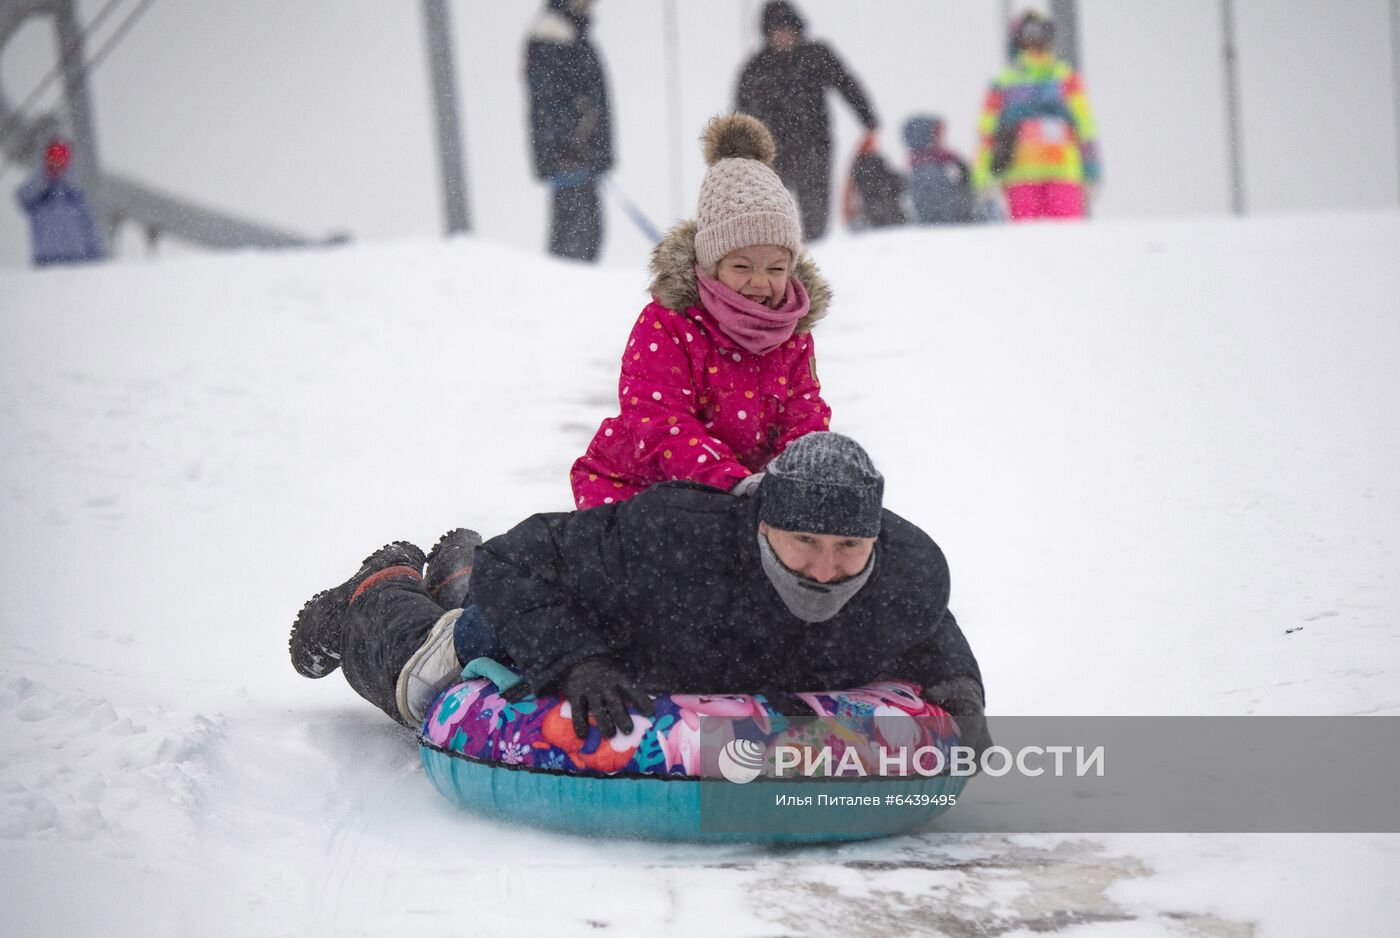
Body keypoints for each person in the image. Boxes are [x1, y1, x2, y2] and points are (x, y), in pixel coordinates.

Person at [289, 432, 989, 754]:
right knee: (418, 677)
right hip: (560, 624)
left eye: (847, 550)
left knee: (479, 588)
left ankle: (451, 571)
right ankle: (375, 591)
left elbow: (927, 629)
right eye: (803, 542)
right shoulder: (675, 534)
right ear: (761, 521)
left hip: (623, 629)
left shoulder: (906, 573)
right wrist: (575, 662)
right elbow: (519, 564)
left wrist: (960, 688)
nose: (823, 568)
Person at [568, 113, 832, 509]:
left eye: (776, 269)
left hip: (749, 499)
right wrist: (732, 484)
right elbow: (661, 423)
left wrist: (797, 482)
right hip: (644, 491)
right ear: (710, 264)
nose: (760, 283)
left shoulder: (791, 332)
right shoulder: (668, 323)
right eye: (742, 267)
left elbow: (805, 416)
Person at [735, 0, 879, 240]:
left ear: (797, 28)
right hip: (773, 151)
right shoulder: (756, 67)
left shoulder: (816, 55)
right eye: (776, 30)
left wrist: (868, 118)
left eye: (787, 28)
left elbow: (847, 84)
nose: (783, 35)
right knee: (770, 212)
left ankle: (815, 258)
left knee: (815, 213)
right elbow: (741, 112)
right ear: (767, 33)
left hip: (814, 146)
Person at [970, 11, 1101, 221]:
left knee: (1034, 243)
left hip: (1028, 175)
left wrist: (982, 178)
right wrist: (1092, 172)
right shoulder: (1064, 78)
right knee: (1062, 243)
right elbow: (1085, 129)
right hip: (1055, 173)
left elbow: (987, 134)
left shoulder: (1005, 82)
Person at [524, 0, 613, 261]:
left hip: (579, 161)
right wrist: (565, 148)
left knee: (584, 241)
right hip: (570, 162)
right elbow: (547, 102)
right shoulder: (553, 34)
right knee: (574, 249)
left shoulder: (571, 33)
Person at [14, 137, 106, 267]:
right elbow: (23, 198)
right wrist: (42, 177)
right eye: (53, 160)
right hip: (46, 262)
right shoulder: (39, 196)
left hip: (78, 262)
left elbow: (92, 231)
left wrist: (99, 262)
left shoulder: (77, 195)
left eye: (61, 161)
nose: (57, 165)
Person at [902, 115, 973, 225]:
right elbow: (942, 207)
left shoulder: (942, 163)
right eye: (936, 134)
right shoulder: (926, 171)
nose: (941, 138)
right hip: (944, 231)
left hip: (952, 228)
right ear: (925, 137)